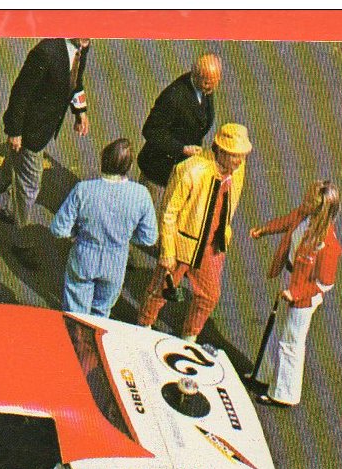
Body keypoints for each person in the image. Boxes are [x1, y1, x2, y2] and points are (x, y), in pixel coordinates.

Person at [0, 38, 92, 269]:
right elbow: (21, 92)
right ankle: (21, 240)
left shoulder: (83, 46)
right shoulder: (46, 52)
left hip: (43, 127)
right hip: (31, 131)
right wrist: (14, 131)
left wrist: (80, 112)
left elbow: (75, 80)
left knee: (14, 164)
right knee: (29, 187)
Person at [137, 123, 252, 341]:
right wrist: (168, 252)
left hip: (213, 245)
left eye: (242, 155)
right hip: (184, 245)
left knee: (209, 295)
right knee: (161, 288)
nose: (239, 161)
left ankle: (190, 335)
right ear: (220, 150)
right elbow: (169, 212)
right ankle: (144, 323)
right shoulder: (190, 170)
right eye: (235, 155)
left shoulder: (238, 170)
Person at [248, 180, 342, 407]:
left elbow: (324, 284)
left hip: (303, 296)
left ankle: (284, 394)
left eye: (311, 201)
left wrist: (297, 294)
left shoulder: (328, 244)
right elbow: (286, 222)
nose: (305, 202)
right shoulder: (303, 215)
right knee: (276, 330)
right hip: (290, 279)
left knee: (291, 341)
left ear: (323, 209)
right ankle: (265, 377)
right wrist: (264, 230)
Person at [50, 138, 158, 317]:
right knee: (102, 313)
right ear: (129, 167)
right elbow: (149, 237)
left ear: (103, 161)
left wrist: (75, 235)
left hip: (84, 255)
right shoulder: (141, 194)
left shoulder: (83, 189)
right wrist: (125, 238)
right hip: (116, 260)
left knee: (75, 313)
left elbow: (58, 228)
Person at [137, 54, 222, 205]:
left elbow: (202, 121)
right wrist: (182, 149)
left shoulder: (205, 89)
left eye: (216, 82)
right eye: (208, 83)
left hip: (181, 172)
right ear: (196, 76)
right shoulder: (174, 96)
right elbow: (150, 130)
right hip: (159, 175)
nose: (212, 87)